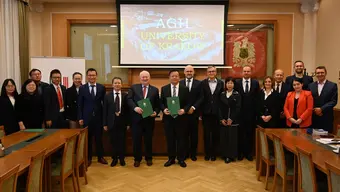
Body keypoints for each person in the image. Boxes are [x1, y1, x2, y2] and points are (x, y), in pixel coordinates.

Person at [127, 70, 160, 167]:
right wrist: (135, 107)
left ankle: (148, 158)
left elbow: (157, 105)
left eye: (147, 77)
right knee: (136, 140)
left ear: (149, 78)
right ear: (139, 78)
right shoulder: (133, 88)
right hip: (136, 120)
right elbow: (128, 99)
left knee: (148, 140)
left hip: (149, 120)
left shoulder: (154, 90)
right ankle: (137, 159)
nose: (145, 78)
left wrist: (156, 112)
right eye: (143, 77)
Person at [160, 69, 190, 168]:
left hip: (181, 119)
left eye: (176, 76)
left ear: (179, 77)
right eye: (172, 76)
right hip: (168, 119)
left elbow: (188, 103)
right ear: (169, 78)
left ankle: (181, 159)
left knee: (181, 139)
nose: (174, 77)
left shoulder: (184, 89)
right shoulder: (164, 89)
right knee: (170, 140)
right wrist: (164, 109)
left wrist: (184, 110)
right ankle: (171, 159)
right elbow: (161, 102)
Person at [78, 68, 107, 166]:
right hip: (87, 118)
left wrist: (104, 119)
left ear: (96, 76)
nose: (92, 77)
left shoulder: (101, 87)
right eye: (90, 75)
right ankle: (89, 158)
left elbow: (104, 104)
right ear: (87, 76)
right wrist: (80, 117)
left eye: (93, 75)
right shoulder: (82, 88)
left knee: (99, 139)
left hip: (98, 118)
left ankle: (100, 157)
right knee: (88, 139)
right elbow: (80, 104)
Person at [199, 65, 224, 161]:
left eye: (213, 71)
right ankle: (207, 153)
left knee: (215, 134)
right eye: (209, 71)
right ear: (207, 73)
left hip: (217, 113)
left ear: (216, 73)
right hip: (206, 113)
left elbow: (222, 99)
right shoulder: (203, 83)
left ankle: (213, 154)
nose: (211, 73)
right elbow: (201, 98)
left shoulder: (221, 83)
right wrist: (201, 113)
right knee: (206, 134)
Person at [235, 65, 260, 161]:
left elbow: (257, 99)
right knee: (240, 134)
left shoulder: (255, 83)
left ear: (251, 72)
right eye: (244, 71)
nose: (246, 73)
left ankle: (249, 153)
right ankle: (240, 153)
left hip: (251, 114)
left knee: (250, 134)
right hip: (240, 113)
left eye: (248, 71)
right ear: (242, 72)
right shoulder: (237, 83)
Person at [103, 77, 129, 167]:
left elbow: (128, 110)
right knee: (113, 141)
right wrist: (105, 123)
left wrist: (128, 123)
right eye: (115, 83)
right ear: (112, 85)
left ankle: (122, 159)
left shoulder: (126, 95)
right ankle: (114, 159)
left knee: (122, 141)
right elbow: (105, 110)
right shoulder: (107, 96)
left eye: (119, 83)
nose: (117, 84)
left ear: (121, 85)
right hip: (111, 122)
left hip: (122, 122)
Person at [179, 65, 202, 161]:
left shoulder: (199, 83)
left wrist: (193, 107)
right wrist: (183, 109)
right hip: (183, 113)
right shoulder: (179, 83)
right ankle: (184, 154)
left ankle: (193, 154)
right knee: (183, 135)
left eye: (190, 71)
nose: (189, 73)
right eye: (187, 71)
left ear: (193, 72)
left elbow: (201, 97)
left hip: (193, 113)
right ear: (184, 72)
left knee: (194, 135)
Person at [308, 66, 338, 133]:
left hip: (326, 117)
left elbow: (334, 101)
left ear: (325, 73)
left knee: (326, 139)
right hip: (314, 117)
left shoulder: (332, 85)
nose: (320, 74)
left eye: (322, 72)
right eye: (318, 73)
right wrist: (315, 110)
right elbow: (309, 100)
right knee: (312, 139)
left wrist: (321, 109)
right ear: (315, 74)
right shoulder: (311, 85)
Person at [219, 77, 241, 164]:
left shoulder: (237, 94)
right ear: (226, 84)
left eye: (231, 83)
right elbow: (219, 108)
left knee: (232, 138)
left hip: (233, 121)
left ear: (234, 85)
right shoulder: (222, 94)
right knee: (224, 138)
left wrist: (231, 118)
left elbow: (238, 108)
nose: (229, 85)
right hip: (224, 121)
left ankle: (231, 156)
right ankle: (225, 155)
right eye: (228, 83)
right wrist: (221, 119)